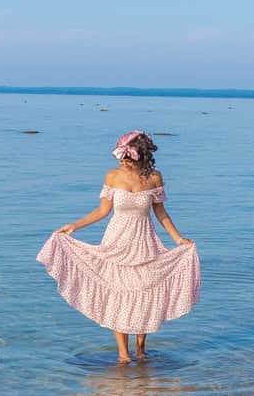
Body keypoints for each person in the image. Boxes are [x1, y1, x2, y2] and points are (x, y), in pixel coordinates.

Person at [37, 130, 200, 363]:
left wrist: (178, 239)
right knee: (119, 294)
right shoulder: (113, 176)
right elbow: (103, 211)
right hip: (117, 242)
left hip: (144, 241)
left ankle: (141, 349)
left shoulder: (155, 178)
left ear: (140, 155)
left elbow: (160, 212)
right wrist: (74, 226)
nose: (123, 160)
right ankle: (123, 355)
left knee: (146, 293)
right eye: (121, 156)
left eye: (127, 156)